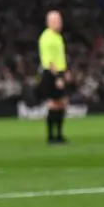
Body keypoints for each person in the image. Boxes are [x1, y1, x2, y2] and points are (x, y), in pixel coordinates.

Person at [36, 11, 69, 144]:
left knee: (61, 104)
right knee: (54, 104)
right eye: (57, 21)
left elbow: (59, 57)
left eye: (60, 20)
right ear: (49, 22)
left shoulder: (57, 37)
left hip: (59, 72)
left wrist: (65, 71)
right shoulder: (46, 37)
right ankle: (51, 136)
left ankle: (59, 135)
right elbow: (49, 61)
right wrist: (58, 77)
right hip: (51, 73)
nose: (60, 23)